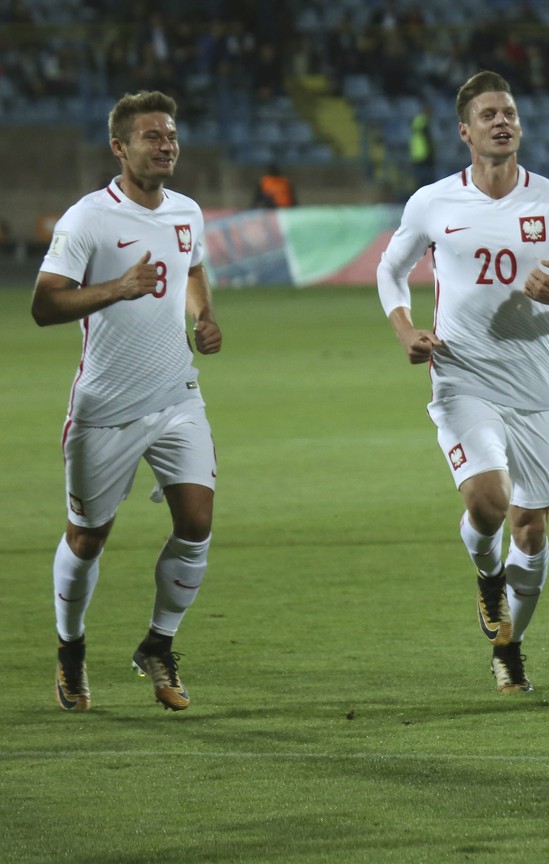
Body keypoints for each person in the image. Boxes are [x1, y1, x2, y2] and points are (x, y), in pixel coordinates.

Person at [377, 70, 549, 694]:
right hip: (461, 376)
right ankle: (486, 576)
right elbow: (390, 270)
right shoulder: (432, 203)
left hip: (535, 388)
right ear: (465, 131)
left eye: (510, 113)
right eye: (489, 115)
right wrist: (404, 329)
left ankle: (511, 644)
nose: (502, 122)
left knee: (530, 530)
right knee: (488, 502)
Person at [32, 90, 223, 713]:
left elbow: (191, 269)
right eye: (151, 136)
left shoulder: (187, 212)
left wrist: (203, 316)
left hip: (176, 395)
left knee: (196, 522)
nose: (166, 144)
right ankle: (70, 648)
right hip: (106, 406)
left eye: (170, 135)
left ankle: (158, 644)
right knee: (89, 538)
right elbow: (44, 304)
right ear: (119, 147)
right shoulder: (88, 218)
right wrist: (117, 288)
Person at [409, 100, 435, 189]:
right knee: (421, 181)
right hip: (420, 156)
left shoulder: (425, 122)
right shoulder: (420, 121)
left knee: (426, 181)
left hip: (425, 156)